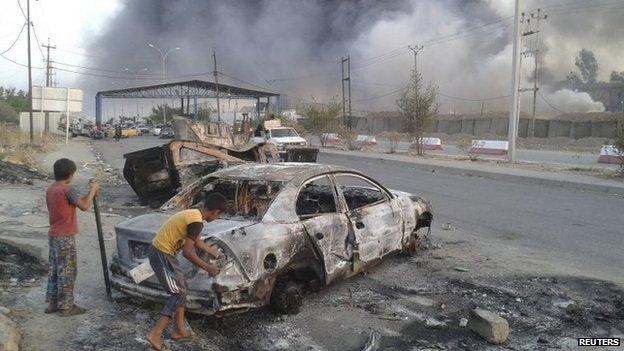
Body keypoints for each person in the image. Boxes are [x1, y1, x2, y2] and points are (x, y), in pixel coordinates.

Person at [146, 192, 225, 350]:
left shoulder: (194, 215)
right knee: (177, 293)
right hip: (163, 254)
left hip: (162, 252)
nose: (217, 218)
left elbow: (196, 242)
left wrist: (213, 252)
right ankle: (155, 334)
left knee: (181, 290)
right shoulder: (197, 222)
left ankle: (179, 331)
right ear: (216, 212)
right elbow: (188, 253)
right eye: (219, 215)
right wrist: (207, 267)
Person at [45, 158, 99, 316]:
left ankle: (53, 303)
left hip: (54, 235)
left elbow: (74, 202)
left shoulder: (51, 189)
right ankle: (66, 307)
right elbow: (84, 206)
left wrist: (88, 193)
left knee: (55, 270)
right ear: (70, 175)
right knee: (68, 271)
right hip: (65, 236)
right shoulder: (67, 189)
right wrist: (93, 190)